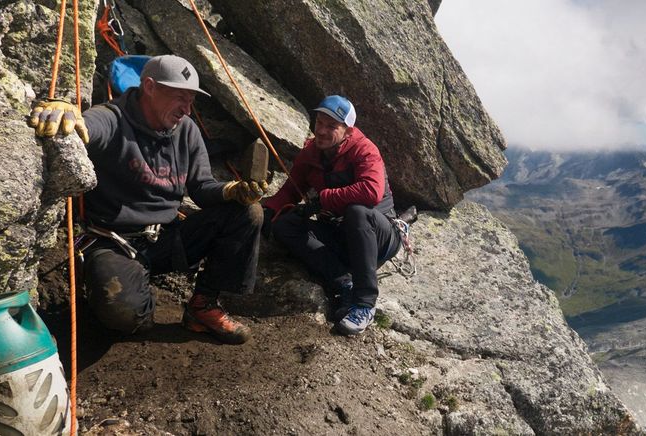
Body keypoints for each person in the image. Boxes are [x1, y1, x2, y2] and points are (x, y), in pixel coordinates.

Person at [28, 55, 266, 344]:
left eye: (190, 100)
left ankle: (203, 306)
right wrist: (69, 112)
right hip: (114, 241)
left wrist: (231, 191)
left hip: (167, 238)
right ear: (150, 86)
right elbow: (89, 127)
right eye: (180, 97)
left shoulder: (187, 130)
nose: (186, 110)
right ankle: (123, 294)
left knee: (248, 213)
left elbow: (202, 187)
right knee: (128, 318)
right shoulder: (114, 118)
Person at [264, 95, 401, 335]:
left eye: (332, 126)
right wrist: (267, 211)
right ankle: (343, 282)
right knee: (286, 225)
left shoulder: (365, 150)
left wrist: (325, 198)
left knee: (358, 212)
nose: (322, 131)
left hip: (379, 238)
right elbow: (290, 191)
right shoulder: (311, 152)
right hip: (342, 236)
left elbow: (371, 192)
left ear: (348, 131)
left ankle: (365, 303)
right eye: (320, 122)